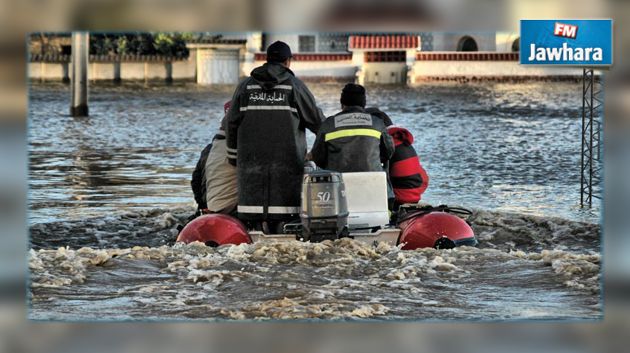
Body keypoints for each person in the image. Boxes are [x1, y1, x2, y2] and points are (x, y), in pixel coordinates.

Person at [226, 41, 325, 231]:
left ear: (266, 59)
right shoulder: (294, 87)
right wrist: (319, 153)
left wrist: (233, 157)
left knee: (253, 227)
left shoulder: (245, 87)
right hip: (287, 171)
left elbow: (231, 123)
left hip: (250, 172)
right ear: (288, 61)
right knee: (285, 223)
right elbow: (319, 124)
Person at [310, 83, 394, 173]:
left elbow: (318, 157)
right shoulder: (377, 123)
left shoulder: (329, 124)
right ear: (363, 103)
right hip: (371, 179)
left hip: (338, 180)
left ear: (342, 103)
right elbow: (389, 152)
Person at [190, 101, 238, 215]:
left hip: (211, 206)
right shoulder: (247, 146)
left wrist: (202, 205)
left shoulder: (210, 149)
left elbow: (196, 181)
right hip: (232, 208)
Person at [386, 124, 430, 208]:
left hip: (398, 198)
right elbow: (425, 178)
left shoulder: (388, 146)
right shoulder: (407, 145)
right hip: (415, 196)